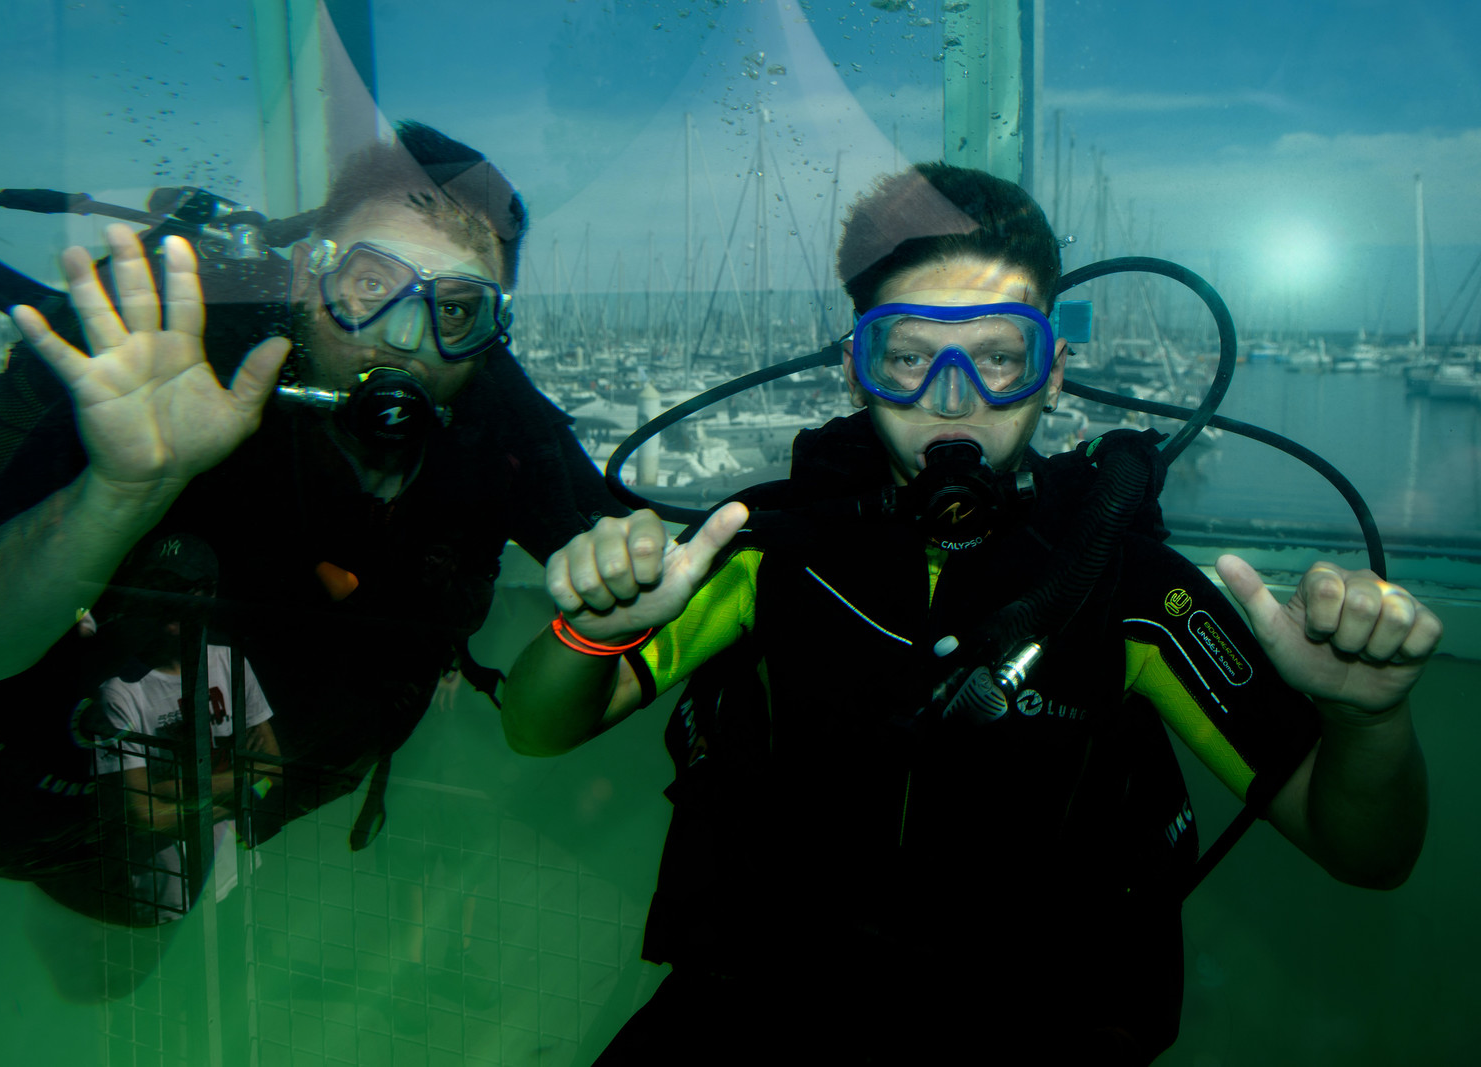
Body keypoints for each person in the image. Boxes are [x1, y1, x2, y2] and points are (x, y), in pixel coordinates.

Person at [499, 164, 1439, 1062]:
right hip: (760, 1007)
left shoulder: (1125, 586)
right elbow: (537, 729)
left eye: (998, 358)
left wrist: (1369, 718)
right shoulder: (761, 547)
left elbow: (1365, 850)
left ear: (1055, 373)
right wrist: (594, 626)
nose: (953, 399)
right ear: (855, 369)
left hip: (1028, 1029)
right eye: (907, 356)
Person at [0, 121, 622, 913]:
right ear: (308, 274)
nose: (408, 338)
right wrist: (121, 490)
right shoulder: (167, 355)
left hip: (186, 848)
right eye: (371, 284)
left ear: (491, 328)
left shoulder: (487, 405)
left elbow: (619, 538)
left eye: (458, 306)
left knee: (115, 964)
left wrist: (632, 553)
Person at [87, 532, 280, 926]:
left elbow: (273, 767)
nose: (170, 600)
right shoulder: (118, 692)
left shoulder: (229, 663)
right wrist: (238, 789)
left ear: (208, 593)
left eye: (183, 588)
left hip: (236, 869)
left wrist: (171, 792)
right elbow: (141, 813)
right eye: (160, 587)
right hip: (163, 896)